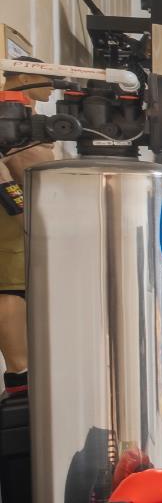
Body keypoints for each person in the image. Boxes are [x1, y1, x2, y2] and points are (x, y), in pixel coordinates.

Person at [0, 67, 59, 395]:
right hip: (14, 221)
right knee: (12, 287)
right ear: (23, 77)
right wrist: (15, 202)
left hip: (38, 216)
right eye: (47, 80)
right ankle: (18, 370)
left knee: (28, 288)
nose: (52, 88)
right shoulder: (5, 114)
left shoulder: (27, 114)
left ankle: (31, 364)